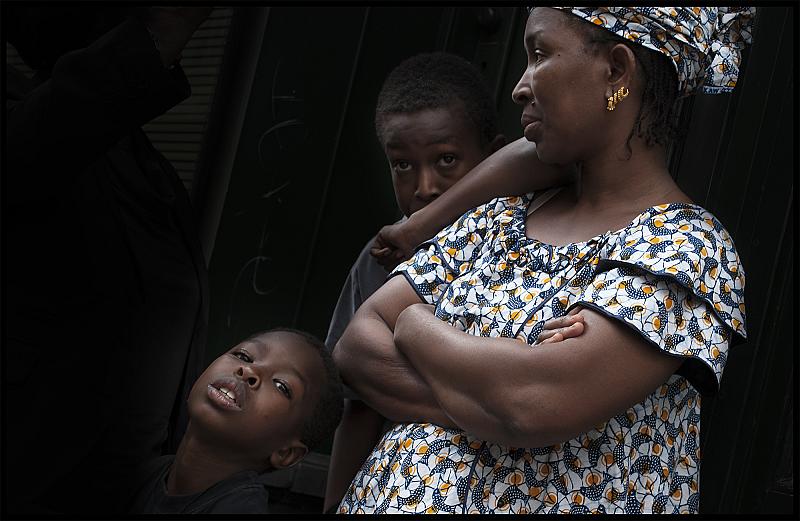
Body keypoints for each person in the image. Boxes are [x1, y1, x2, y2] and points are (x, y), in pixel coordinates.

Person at [334, 6, 753, 514]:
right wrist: (491, 409)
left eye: (539, 54)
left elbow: (531, 403)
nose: (519, 87)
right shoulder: (501, 214)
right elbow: (357, 349)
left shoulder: (685, 248)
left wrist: (415, 326)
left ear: (616, 71)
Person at [322, 52, 581, 512]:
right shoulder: (382, 258)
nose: (425, 186)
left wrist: (425, 223)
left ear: (492, 153)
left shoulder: (524, 225)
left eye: (446, 159)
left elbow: (554, 160)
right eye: (403, 165)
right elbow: (357, 393)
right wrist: (493, 416)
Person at [6, 6, 213, 514]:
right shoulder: (36, 122)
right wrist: (163, 30)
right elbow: (51, 131)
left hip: (122, 488)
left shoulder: (142, 163)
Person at [129, 328, 344, 514]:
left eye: (281, 386)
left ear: (286, 453)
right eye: (243, 356)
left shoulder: (240, 509)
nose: (249, 370)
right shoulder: (144, 474)